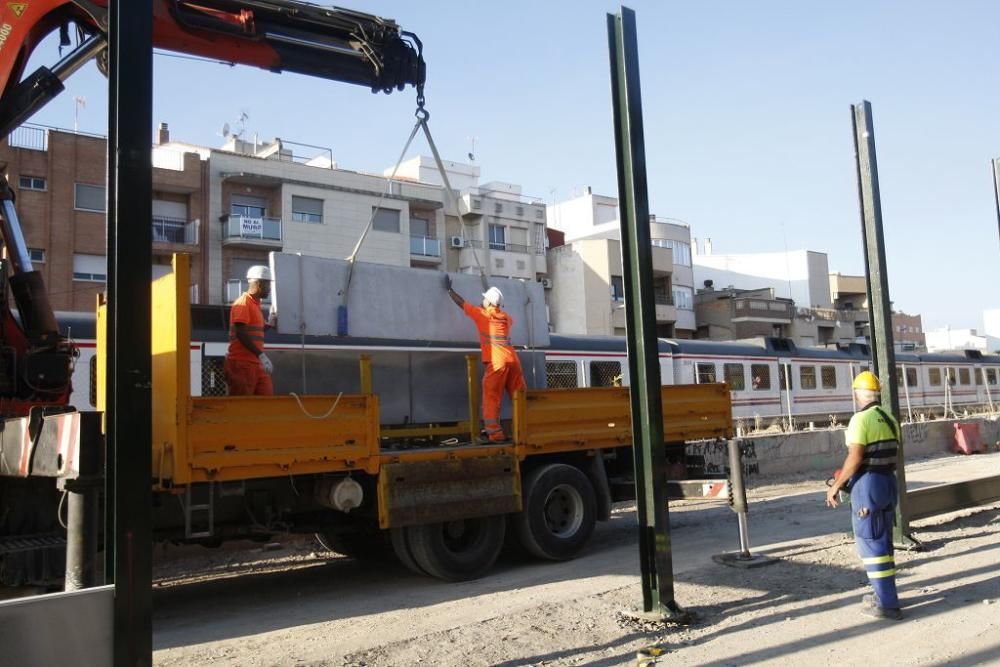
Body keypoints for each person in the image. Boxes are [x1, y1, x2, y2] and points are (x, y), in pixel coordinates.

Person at [826, 370, 902, 620]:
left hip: (868, 486)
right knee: (884, 543)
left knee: (872, 544)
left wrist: (836, 484)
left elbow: (856, 457)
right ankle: (885, 597)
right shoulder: (889, 417)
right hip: (888, 483)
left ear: (858, 394)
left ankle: (887, 605)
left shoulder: (861, 419)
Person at [444, 275, 526, 443]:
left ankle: (495, 435)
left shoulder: (483, 315)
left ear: (489, 303)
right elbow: (496, 312)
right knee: (520, 396)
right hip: (513, 361)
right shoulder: (506, 318)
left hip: (497, 362)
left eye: (484, 300)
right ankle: (526, 429)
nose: (481, 302)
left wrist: (450, 290)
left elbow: (462, 303)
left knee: (491, 396)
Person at [225, 265, 276, 396]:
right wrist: (261, 355)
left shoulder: (254, 305)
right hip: (242, 364)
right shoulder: (243, 303)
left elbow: (254, 334)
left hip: (254, 363)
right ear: (259, 284)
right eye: (268, 284)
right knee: (242, 406)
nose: (270, 289)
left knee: (265, 396)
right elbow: (241, 333)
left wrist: (269, 325)